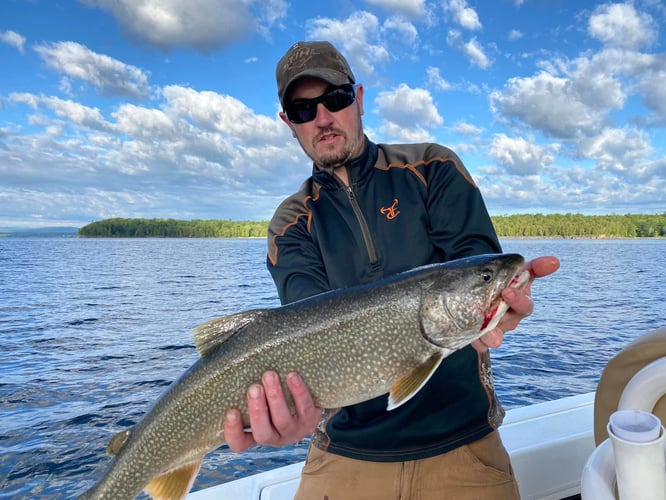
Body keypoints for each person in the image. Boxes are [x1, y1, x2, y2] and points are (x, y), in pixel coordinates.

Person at [223, 40, 560, 499]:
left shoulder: (433, 167)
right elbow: (302, 324)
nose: (323, 118)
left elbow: (476, 256)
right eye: (303, 110)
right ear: (289, 124)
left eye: (336, 99)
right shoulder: (291, 223)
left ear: (358, 98)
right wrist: (287, 409)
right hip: (343, 456)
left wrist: (500, 304)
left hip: (465, 446)